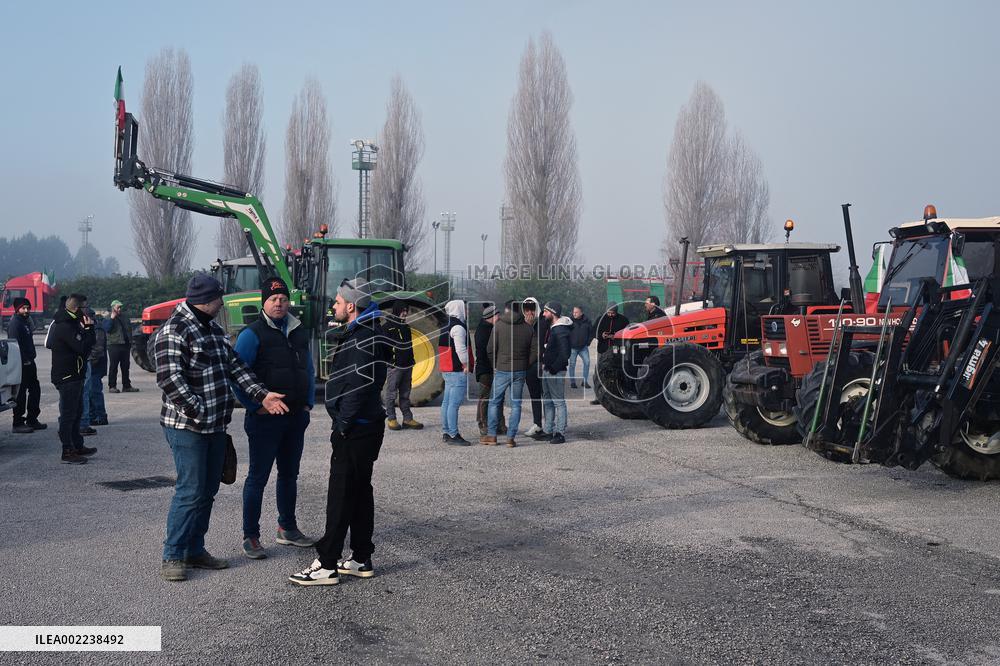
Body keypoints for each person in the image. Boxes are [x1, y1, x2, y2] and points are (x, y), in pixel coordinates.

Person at [155, 274, 289, 582]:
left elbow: (236, 368)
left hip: (215, 426)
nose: (223, 303)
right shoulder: (175, 330)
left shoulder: (212, 329)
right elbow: (169, 379)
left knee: (208, 490)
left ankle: (194, 549)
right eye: (220, 299)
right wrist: (199, 410)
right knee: (190, 491)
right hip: (188, 426)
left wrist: (262, 394)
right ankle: (173, 555)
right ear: (210, 300)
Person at [290, 279, 386, 586]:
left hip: (356, 429)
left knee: (341, 495)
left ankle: (327, 564)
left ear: (351, 306)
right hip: (362, 427)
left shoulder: (363, 337)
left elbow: (358, 387)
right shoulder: (363, 332)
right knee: (359, 493)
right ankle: (360, 558)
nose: (333, 305)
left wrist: (342, 424)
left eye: (337, 301)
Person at [233, 277, 316, 560]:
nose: (279, 303)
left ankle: (287, 528)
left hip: (295, 418)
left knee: (289, 475)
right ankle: (251, 536)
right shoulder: (251, 334)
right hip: (264, 420)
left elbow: (308, 367)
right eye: (273, 299)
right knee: (258, 477)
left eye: (282, 299)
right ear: (264, 303)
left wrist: (308, 404)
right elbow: (237, 377)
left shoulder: (298, 331)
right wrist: (255, 407)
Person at [46, 294, 96, 464]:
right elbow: (82, 347)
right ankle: (67, 451)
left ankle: (77, 445)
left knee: (77, 412)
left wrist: (88, 332)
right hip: (67, 376)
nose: (87, 311)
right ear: (76, 308)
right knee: (68, 415)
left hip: (76, 374)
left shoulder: (72, 322)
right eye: (84, 307)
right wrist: (89, 330)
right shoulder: (64, 325)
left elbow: (86, 346)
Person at [481, 300, 536, 448]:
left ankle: (492, 436)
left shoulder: (498, 326)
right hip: (520, 370)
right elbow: (535, 351)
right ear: (521, 310)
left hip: (502, 369)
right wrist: (526, 364)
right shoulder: (528, 328)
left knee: (494, 402)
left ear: (507, 310)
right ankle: (510, 438)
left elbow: (490, 349)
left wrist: (496, 364)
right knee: (516, 404)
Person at [382, 302, 422, 431]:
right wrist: (391, 361)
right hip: (395, 367)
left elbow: (409, 346)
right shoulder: (387, 327)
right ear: (396, 310)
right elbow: (383, 348)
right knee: (391, 394)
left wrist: (411, 360)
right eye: (403, 310)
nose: (405, 313)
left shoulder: (406, 327)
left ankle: (407, 419)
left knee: (405, 394)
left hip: (407, 365)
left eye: (406, 310)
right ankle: (392, 419)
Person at [537, 302, 572, 444]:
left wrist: (554, 367)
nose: (543, 314)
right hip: (547, 370)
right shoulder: (554, 328)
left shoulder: (561, 330)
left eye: (545, 311)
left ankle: (560, 433)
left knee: (558, 402)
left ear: (553, 312)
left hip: (555, 372)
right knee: (547, 401)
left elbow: (565, 353)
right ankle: (548, 430)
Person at [8, 297, 45, 434]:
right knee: (21, 393)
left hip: (30, 361)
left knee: (35, 389)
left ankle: (32, 418)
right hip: (21, 363)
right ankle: (17, 422)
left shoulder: (25, 322)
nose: (26, 310)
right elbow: (14, 345)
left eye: (28, 308)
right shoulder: (15, 324)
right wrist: (24, 360)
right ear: (17, 309)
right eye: (24, 308)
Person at [438, 300, 472, 445]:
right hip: (457, 371)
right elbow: (460, 349)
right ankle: (453, 434)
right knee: (454, 404)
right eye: (465, 308)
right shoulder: (458, 327)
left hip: (447, 370)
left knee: (446, 403)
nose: (467, 311)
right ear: (459, 309)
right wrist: (466, 364)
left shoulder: (445, 326)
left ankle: (446, 432)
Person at [474, 304, 506, 436]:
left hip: (495, 368)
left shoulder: (493, 328)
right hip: (486, 370)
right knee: (485, 398)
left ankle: (500, 425)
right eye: (497, 315)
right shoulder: (483, 331)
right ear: (491, 317)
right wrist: (493, 366)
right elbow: (484, 354)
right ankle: (483, 424)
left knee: (498, 398)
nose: (499, 317)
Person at [592, 304, 630, 404]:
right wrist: (601, 335)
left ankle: (619, 397)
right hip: (603, 350)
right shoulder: (601, 319)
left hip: (616, 350)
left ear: (616, 312)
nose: (610, 315)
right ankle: (598, 397)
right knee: (599, 373)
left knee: (617, 372)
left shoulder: (623, 320)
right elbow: (593, 331)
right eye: (608, 313)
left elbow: (627, 333)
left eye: (612, 313)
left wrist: (615, 336)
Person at [522, 297, 548, 438]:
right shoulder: (524, 324)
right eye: (526, 309)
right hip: (530, 367)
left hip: (541, 364)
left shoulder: (543, 323)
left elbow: (538, 346)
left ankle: (549, 425)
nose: (529, 312)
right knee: (535, 397)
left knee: (547, 396)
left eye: (531, 309)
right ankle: (537, 424)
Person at [80, 308, 109, 428]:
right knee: (90, 393)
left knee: (94, 392)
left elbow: (98, 349)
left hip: (95, 364)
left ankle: (100, 417)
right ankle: (94, 416)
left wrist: (87, 360)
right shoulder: (94, 328)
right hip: (93, 363)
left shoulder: (97, 329)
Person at [104, 299, 138, 393]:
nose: (119, 309)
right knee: (113, 366)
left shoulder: (125, 317)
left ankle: (126, 386)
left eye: (120, 307)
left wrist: (130, 342)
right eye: (118, 307)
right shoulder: (107, 318)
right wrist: (112, 318)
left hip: (125, 345)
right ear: (113, 308)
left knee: (125, 366)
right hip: (114, 345)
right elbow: (107, 329)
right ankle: (112, 386)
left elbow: (129, 329)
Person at [568, 305, 594, 390]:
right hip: (573, 347)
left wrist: (588, 342)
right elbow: (565, 332)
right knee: (572, 364)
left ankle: (585, 382)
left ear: (581, 313)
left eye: (576, 312)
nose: (574, 314)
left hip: (583, 347)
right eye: (573, 312)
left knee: (587, 362)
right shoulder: (569, 321)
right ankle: (572, 382)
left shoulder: (587, 321)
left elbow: (591, 333)